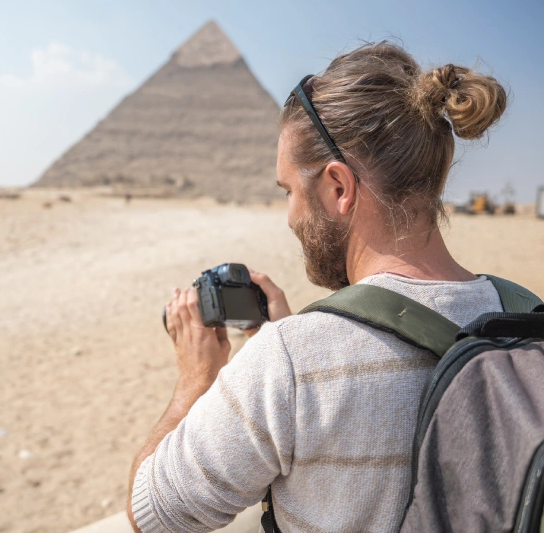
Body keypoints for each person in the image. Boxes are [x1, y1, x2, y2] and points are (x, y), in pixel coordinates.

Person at [126, 41, 508, 533]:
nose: (288, 217)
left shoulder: (288, 361)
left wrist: (195, 380)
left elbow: (153, 515)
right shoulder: (531, 320)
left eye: (288, 191)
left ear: (337, 188)